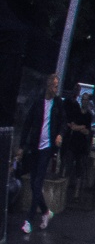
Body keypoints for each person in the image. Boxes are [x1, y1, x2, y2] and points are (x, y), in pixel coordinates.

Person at [17, 74, 61, 235]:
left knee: (37, 182)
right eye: (55, 86)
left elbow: (63, 122)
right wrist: (22, 146)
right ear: (49, 87)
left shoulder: (58, 103)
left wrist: (60, 134)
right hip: (35, 146)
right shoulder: (38, 103)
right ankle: (46, 211)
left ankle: (29, 220)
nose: (56, 89)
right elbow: (27, 124)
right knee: (34, 183)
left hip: (47, 148)